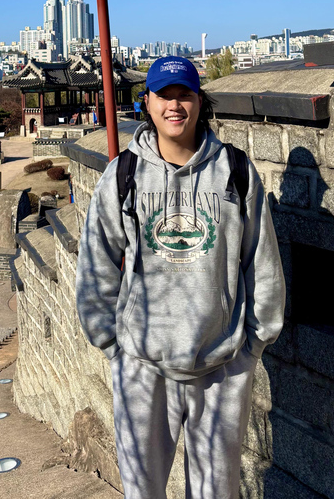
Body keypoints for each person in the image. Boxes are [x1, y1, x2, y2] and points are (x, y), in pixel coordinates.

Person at [75, 56, 285, 498]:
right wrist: (113, 348)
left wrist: (251, 348)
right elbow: (95, 265)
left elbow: (260, 262)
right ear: (147, 103)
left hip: (222, 366)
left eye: (184, 94)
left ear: (199, 101)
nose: (175, 105)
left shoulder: (235, 171)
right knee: (142, 490)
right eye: (164, 96)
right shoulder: (124, 175)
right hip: (141, 368)